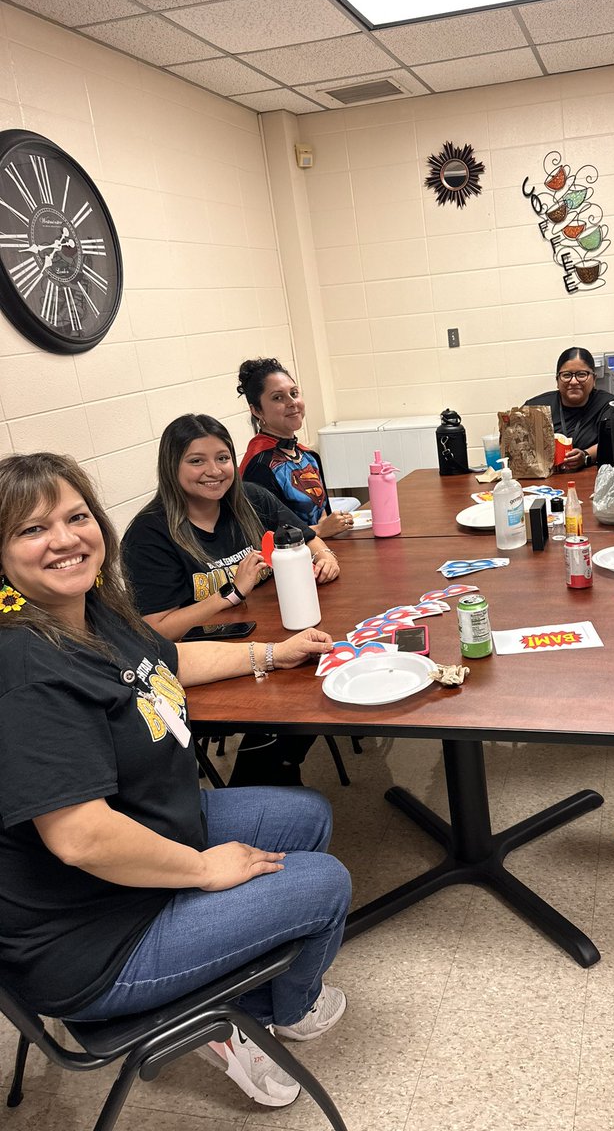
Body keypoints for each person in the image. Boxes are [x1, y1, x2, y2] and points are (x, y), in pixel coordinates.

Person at [0, 452, 351, 1109]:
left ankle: (238, 989)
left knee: (307, 816)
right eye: (32, 529)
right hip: (92, 934)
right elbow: (79, 837)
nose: (66, 538)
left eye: (76, 516)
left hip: (146, 833)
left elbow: (170, 661)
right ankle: (267, 1017)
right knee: (326, 886)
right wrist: (200, 870)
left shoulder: (91, 611)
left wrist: (272, 653)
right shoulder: (21, 666)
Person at [122, 414, 338, 785]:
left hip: (267, 630)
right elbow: (154, 630)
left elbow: (308, 535)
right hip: (201, 659)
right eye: (196, 460)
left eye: (222, 458)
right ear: (171, 467)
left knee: (318, 663)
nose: (214, 471)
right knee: (300, 688)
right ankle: (257, 783)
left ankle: (280, 769)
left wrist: (325, 556)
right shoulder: (149, 534)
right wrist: (231, 594)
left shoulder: (250, 499)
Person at [237, 358, 358, 536]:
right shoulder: (260, 465)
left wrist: (334, 523)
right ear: (257, 410)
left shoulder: (308, 456)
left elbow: (322, 514)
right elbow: (265, 536)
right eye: (278, 398)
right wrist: (320, 530)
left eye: (294, 393)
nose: (292, 402)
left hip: (323, 553)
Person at [525, 347, 611, 471]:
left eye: (582, 375)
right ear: (557, 380)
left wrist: (585, 455)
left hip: (590, 480)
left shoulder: (606, 404)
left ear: (594, 379)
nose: (574, 381)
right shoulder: (535, 408)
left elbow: (613, 442)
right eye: (566, 375)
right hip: (545, 483)